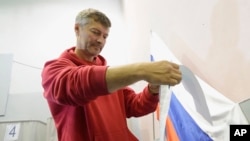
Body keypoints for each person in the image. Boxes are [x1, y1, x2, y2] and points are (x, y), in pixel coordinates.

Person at [41, 8, 182, 141]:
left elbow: (135, 105)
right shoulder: (54, 69)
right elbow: (75, 83)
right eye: (95, 32)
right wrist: (142, 70)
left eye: (105, 36)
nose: (100, 40)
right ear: (77, 29)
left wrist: (152, 90)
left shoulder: (110, 78)